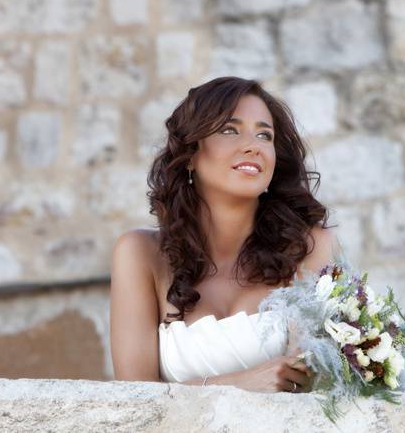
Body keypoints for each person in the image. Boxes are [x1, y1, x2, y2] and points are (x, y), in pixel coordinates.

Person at [110, 76, 339, 393]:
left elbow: (304, 381)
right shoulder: (140, 253)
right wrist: (239, 384)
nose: (253, 146)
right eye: (229, 130)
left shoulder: (311, 248)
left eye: (264, 135)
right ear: (191, 153)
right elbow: (133, 395)